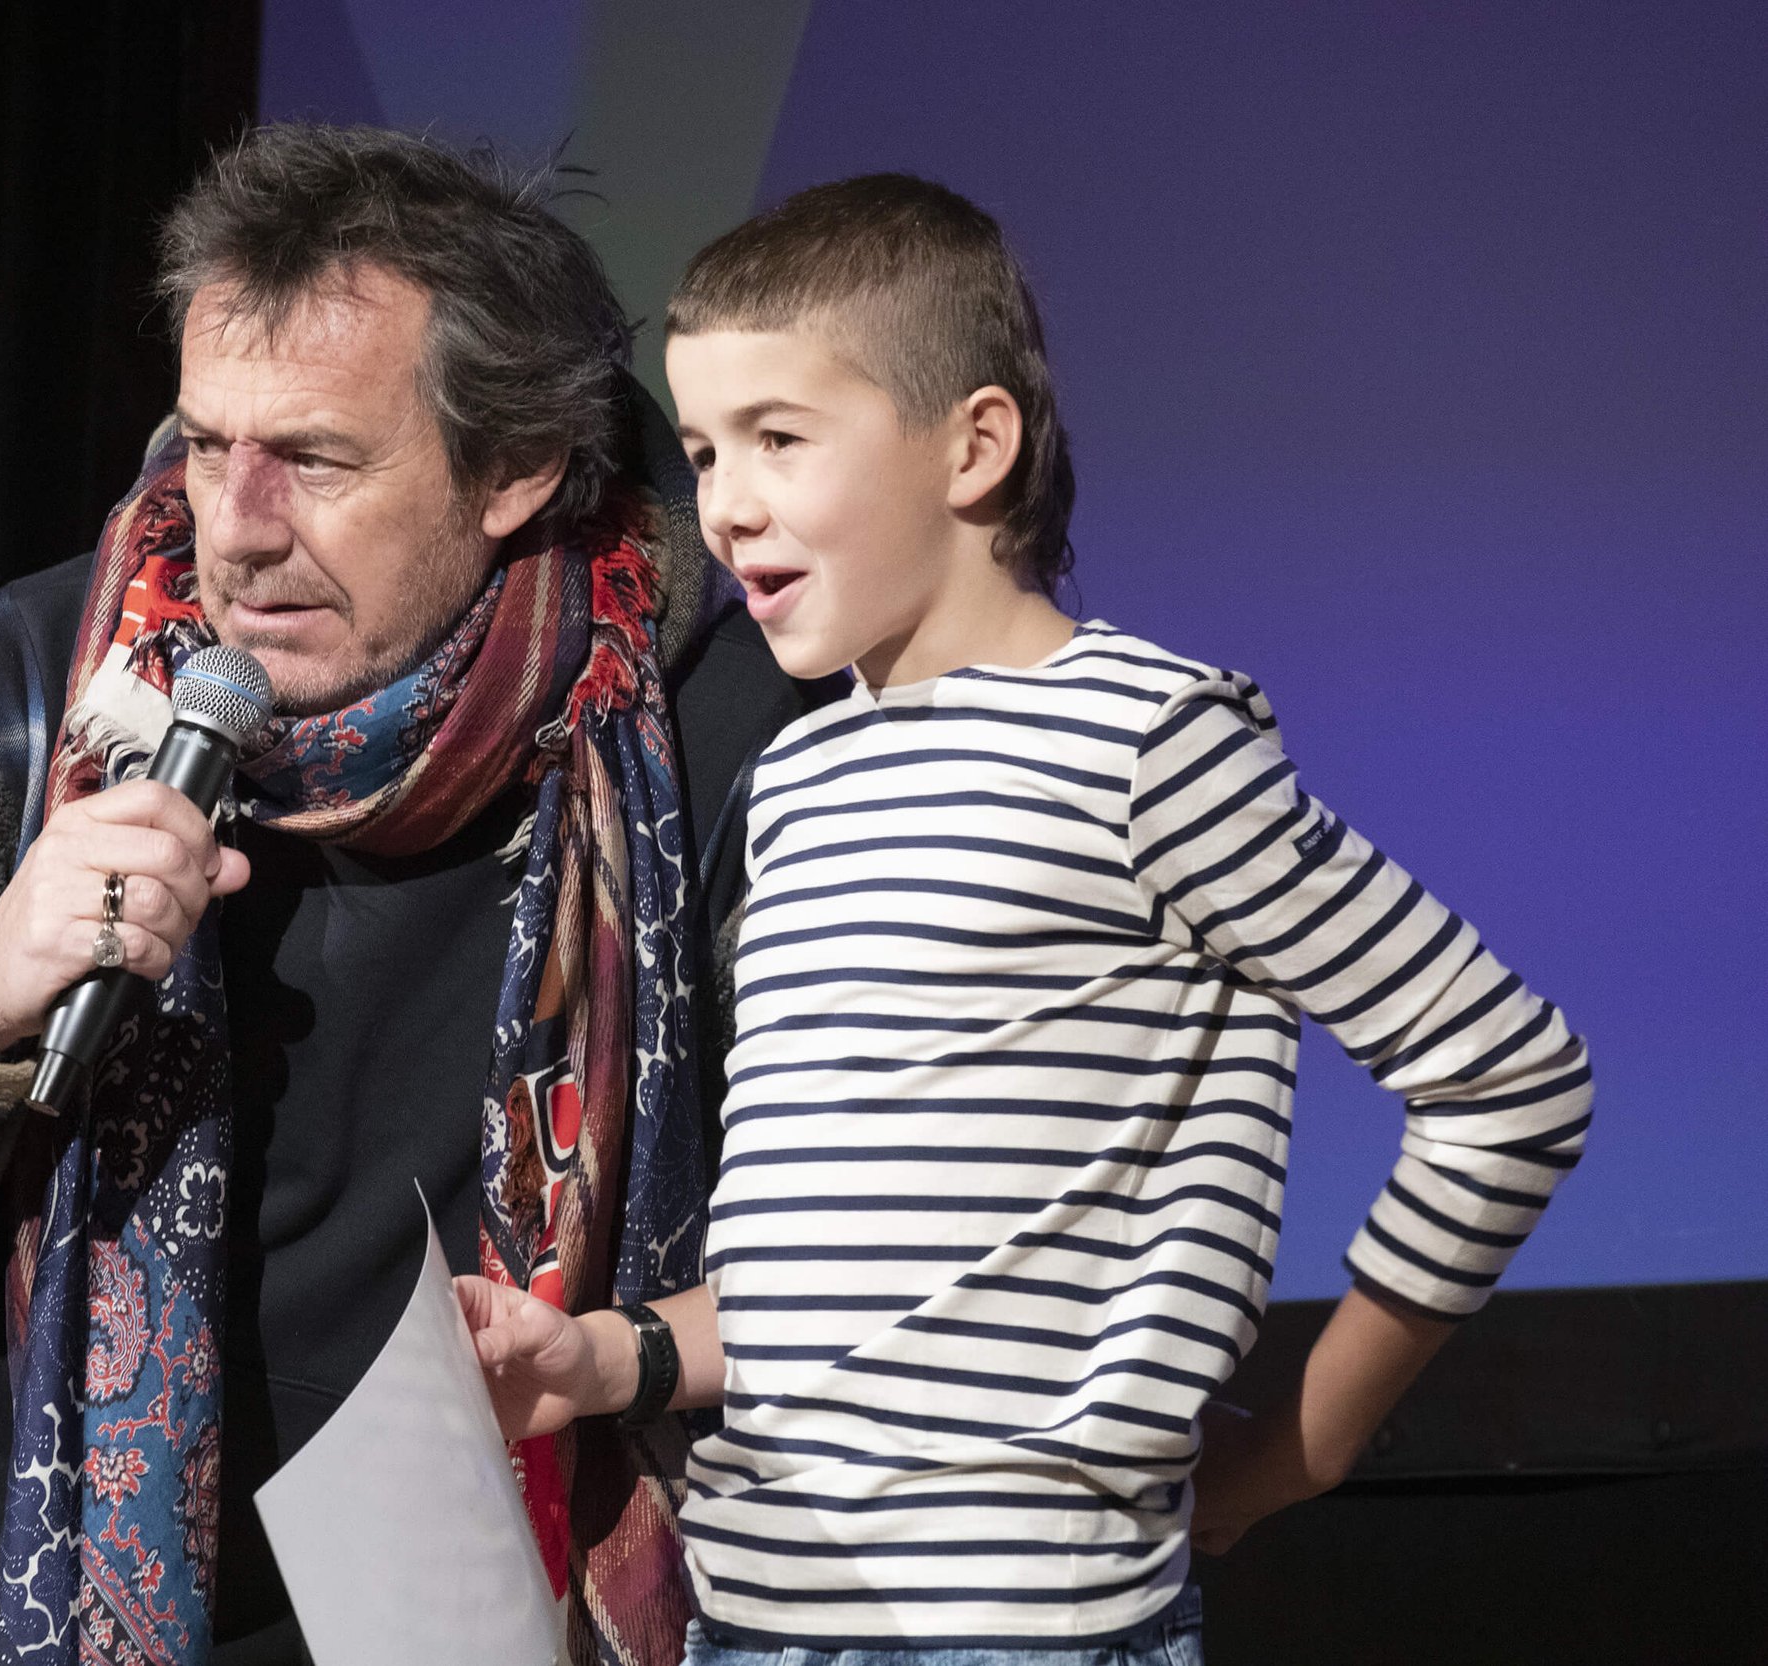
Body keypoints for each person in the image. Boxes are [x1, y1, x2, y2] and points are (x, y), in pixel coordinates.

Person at [0, 124, 821, 1666]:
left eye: (320, 460)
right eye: (209, 445)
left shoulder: (714, 755)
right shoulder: (29, 683)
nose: (239, 526)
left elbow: (869, 1255)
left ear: (515, 468)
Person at [456, 174, 1595, 1664]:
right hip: (750, 1614)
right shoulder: (796, 776)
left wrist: (1306, 1443)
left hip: (1024, 1630)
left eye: (781, 439)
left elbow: (1509, 1078)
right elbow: (848, 1270)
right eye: (703, 448)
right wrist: (606, 1353)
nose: (725, 502)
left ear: (973, 445)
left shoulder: (1145, 744)